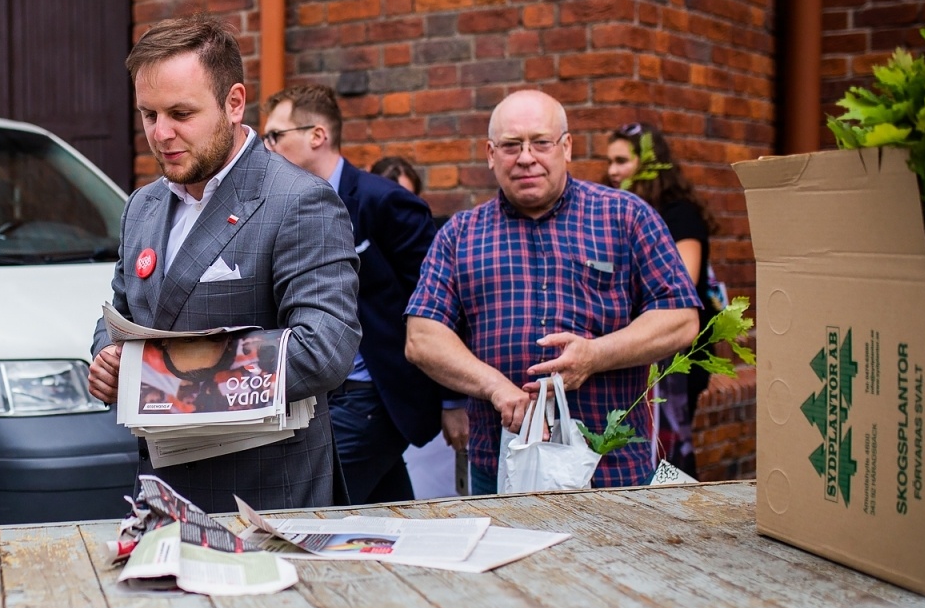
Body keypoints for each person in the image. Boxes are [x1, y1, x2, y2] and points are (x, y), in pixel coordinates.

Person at [88, 17, 360, 512]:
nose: (161, 133)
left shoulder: (298, 201)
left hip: (267, 497)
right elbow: (121, 317)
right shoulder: (141, 207)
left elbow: (326, 347)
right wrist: (109, 361)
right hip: (160, 491)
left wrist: (159, 380)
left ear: (234, 103)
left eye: (181, 113)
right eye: (148, 114)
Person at [404, 90, 701, 492]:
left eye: (540, 142)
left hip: (611, 468)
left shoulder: (627, 217)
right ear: (491, 154)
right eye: (511, 146)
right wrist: (494, 386)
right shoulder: (459, 235)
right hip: (499, 467)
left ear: (567, 147)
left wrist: (596, 355)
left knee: (614, 557)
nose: (526, 157)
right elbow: (422, 338)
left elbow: (681, 319)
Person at [261, 83, 451, 504]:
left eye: (275, 135)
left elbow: (440, 302)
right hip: (318, 393)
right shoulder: (282, 206)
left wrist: (455, 401)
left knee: (306, 506)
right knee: (383, 507)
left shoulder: (384, 202)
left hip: (374, 395)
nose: (266, 147)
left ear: (317, 136)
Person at [605, 122, 716, 476]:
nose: (612, 171)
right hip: (637, 346)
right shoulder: (619, 214)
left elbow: (681, 282)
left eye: (621, 160)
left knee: (667, 449)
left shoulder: (678, 212)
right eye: (610, 161)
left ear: (649, 163)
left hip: (676, 353)